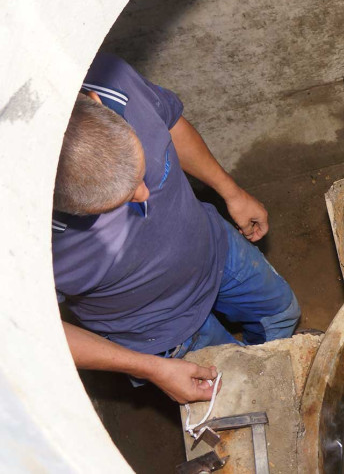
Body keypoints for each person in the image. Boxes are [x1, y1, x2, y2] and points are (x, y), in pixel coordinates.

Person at [52, 53, 300, 403]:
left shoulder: (109, 78)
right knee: (244, 395)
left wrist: (232, 192)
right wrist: (149, 368)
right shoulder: (20, 246)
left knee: (282, 313)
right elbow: (32, 334)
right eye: (115, 200)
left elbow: (168, 123)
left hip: (215, 249)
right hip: (159, 331)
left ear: (95, 100)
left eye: (138, 171)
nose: (145, 195)